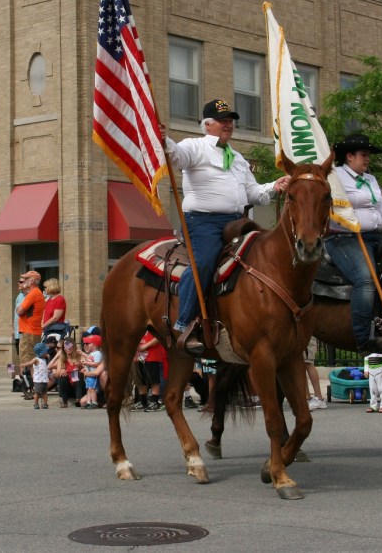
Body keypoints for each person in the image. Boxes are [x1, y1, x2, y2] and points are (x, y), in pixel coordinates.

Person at [160, 100, 290, 355]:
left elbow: (252, 192)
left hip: (237, 221)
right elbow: (176, 157)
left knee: (263, 255)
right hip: (203, 221)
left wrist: (274, 186)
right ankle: (185, 323)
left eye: (230, 120)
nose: (228, 125)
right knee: (205, 262)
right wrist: (165, 140)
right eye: (223, 120)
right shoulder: (194, 146)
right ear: (207, 125)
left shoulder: (238, 158)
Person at [324, 133, 382, 353]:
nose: (367, 160)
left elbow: (381, 208)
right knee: (365, 278)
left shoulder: (371, 179)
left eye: (368, 156)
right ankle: (363, 337)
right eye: (363, 155)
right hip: (345, 238)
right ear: (349, 156)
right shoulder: (334, 176)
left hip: (376, 237)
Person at [16, 270, 46, 386]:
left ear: (32, 281)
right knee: (32, 361)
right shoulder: (36, 293)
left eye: (26, 279)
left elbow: (19, 311)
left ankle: (36, 388)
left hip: (29, 333)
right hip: (32, 332)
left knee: (29, 362)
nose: (24, 281)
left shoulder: (33, 293)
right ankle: (36, 387)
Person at [134, 332, 163, 412]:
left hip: (152, 354)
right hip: (139, 355)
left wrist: (145, 346)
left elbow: (159, 336)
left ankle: (154, 401)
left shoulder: (154, 323)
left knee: (154, 379)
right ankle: (142, 401)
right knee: (140, 379)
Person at [20, 342, 51, 410]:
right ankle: (36, 403)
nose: (47, 353)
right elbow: (30, 363)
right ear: (41, 353)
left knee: (45, 393)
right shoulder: (36, 359)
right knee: (37, 392)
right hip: (38, 380)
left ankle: (45, 403)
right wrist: (24, 365)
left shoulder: (45, 359)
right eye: (45, 352)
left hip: (44, 379)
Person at [79, 334, 104, 409]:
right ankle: (89, 402)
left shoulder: (98, 353)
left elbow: (97, 364)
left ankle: (94, 402)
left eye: (88, 343)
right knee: (89, 389)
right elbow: (90, 364)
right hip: (88, 375)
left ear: (95, 344)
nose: (85, 345)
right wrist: (85, 368)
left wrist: (86, 363)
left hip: (93, 375)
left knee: (92, 389)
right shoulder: (91, 354)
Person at [304, 337, 327, 410]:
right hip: (298, 334)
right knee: (300, 366)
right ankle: (307, 398)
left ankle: (319, 398)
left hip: (305, 334)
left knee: (308, 363)